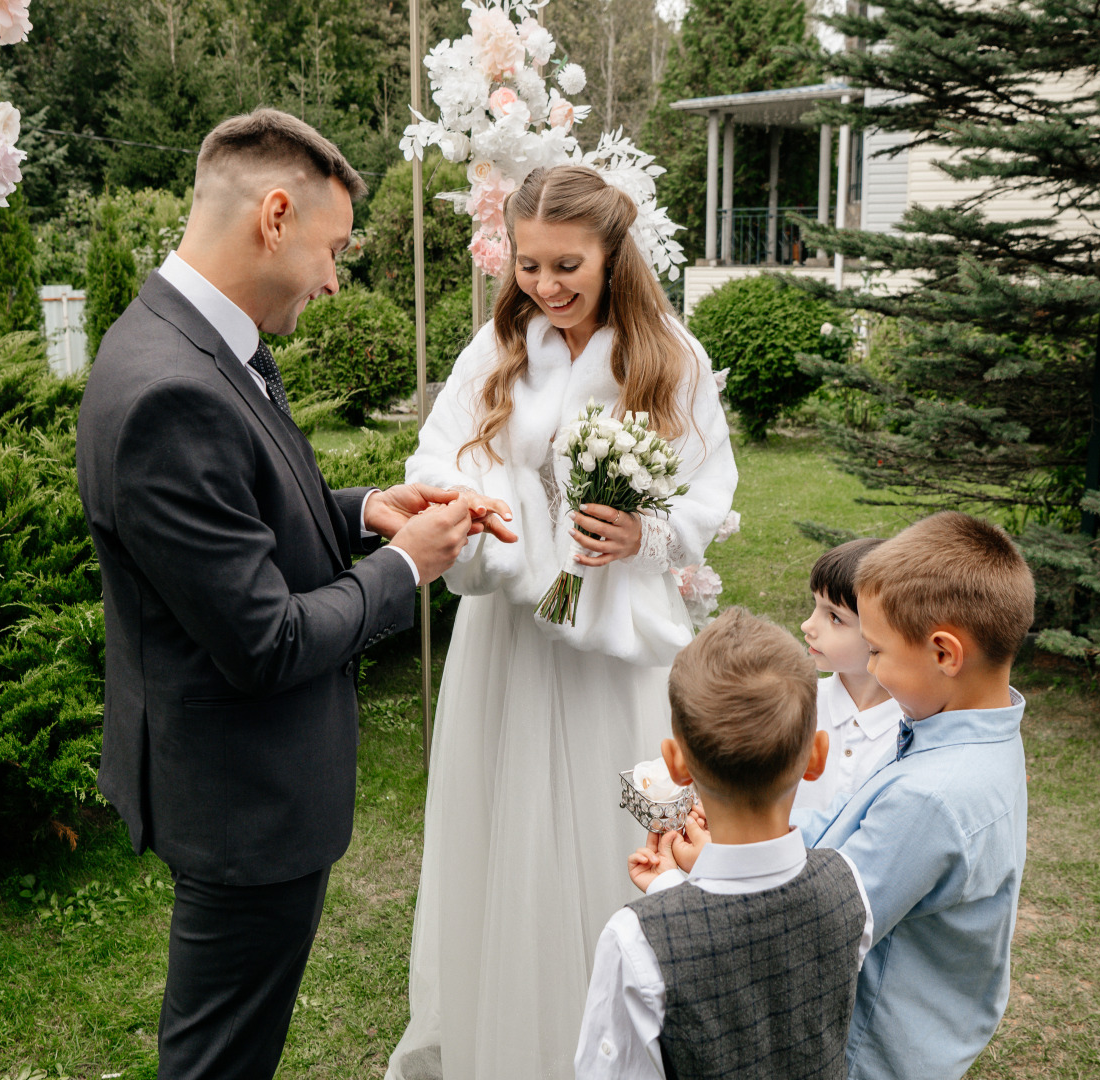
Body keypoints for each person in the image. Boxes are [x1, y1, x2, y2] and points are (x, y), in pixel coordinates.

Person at [75, 109, 515, 1080]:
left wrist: (370, 512)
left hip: (244, 785)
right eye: (334, 249)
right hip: (243, 802)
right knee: (218, 1061)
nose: (332, 278)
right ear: (275, 214)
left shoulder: (201, 343)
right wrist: (411, 570)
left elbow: (257, 511)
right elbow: (264, 639)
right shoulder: (168, 391)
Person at [386, 164, 738, 1079]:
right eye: (530, 265)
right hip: (511, 638)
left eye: (567, 264)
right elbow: (441, 454)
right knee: (508, 823)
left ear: (613, 253)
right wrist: (493, 526)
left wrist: (644, 532)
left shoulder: (672, 357)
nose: (546, 286)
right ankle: (515, 1036)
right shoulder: (495, 349)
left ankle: (640, 1023)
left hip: (620, 654)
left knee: (628, 808)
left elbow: (709, 488)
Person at [575, 607, 874, 1080]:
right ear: (816, 756)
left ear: (675, 763)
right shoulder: (848, 882)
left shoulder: (634, 940)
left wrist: (673, 898)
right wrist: (674, 884)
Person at [791, 510, 1034, 1079]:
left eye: (876, 652)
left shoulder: (932, 799)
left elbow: (821, 930)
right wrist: (749, 838)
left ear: (945, 654)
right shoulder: (979, 729)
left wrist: (709, 878)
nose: (870, 665)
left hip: (868, 1054)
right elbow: (847, 826)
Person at [792, 537, 901, 812]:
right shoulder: (794, 704)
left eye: (834, 617)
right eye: (815, 606)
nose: (807, 625)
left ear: (882, 634)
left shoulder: (912, 732)